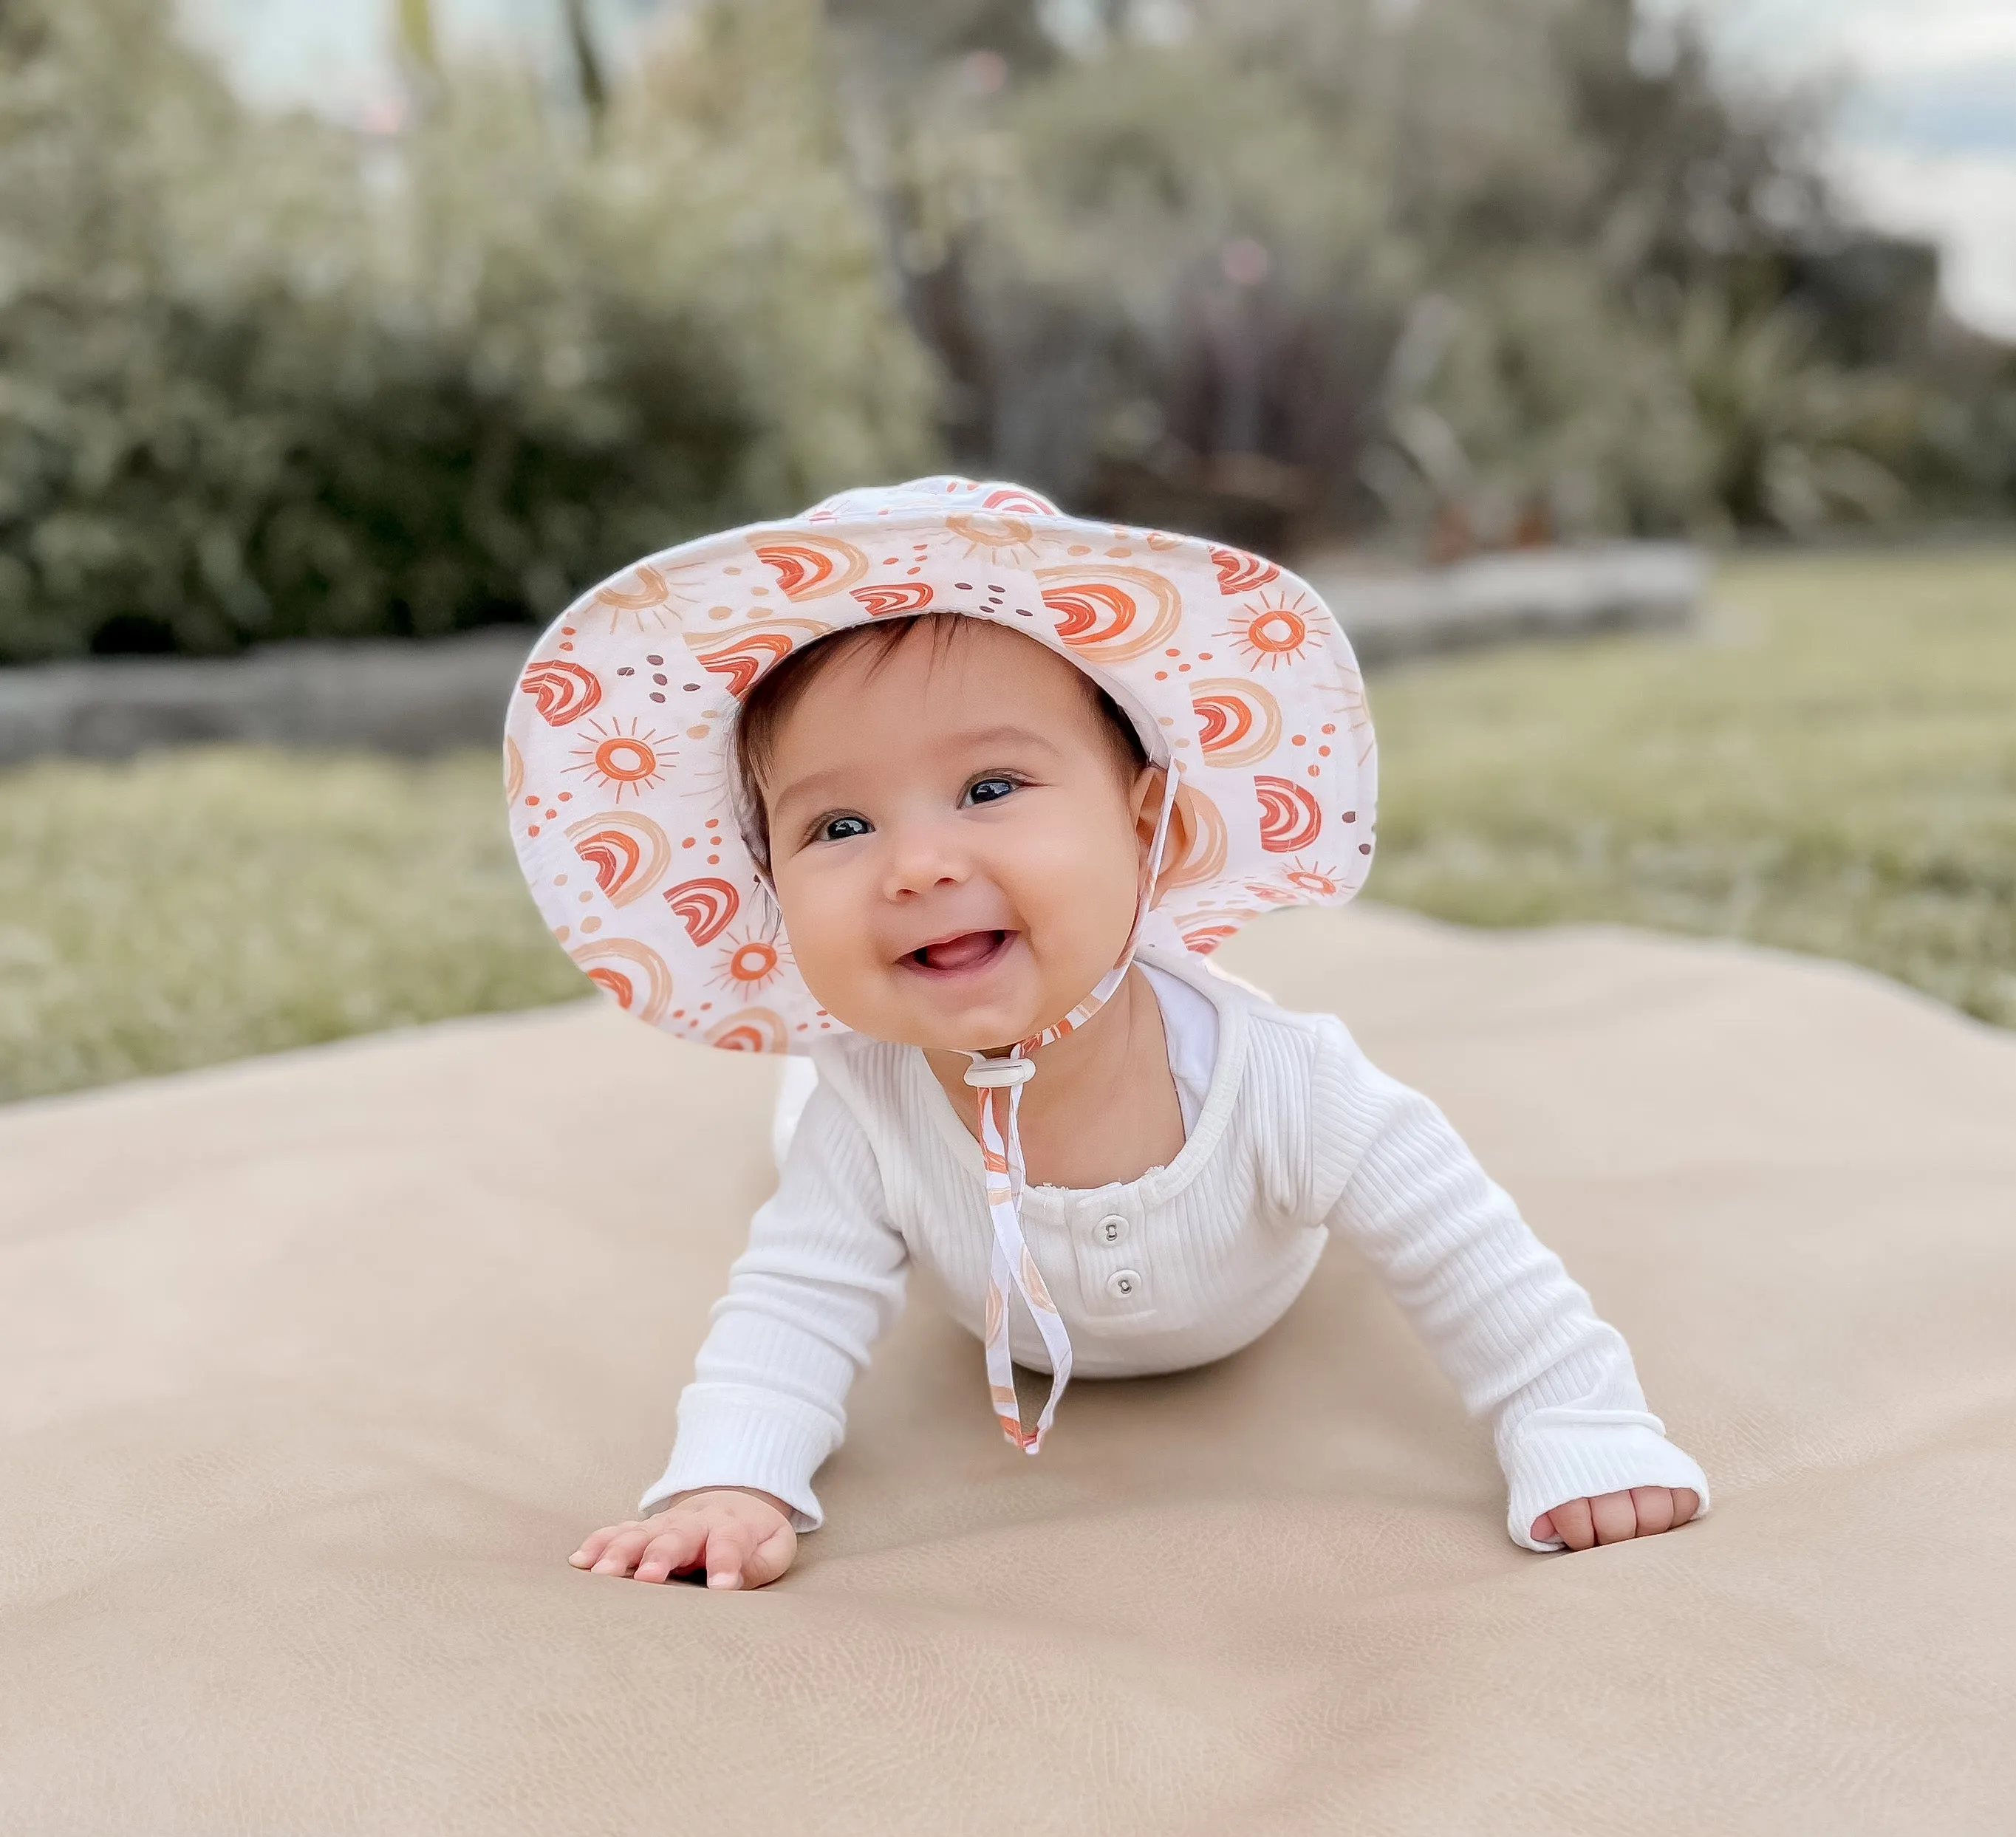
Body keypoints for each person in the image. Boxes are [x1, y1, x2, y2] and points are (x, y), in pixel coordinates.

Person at [503, 476, 1710, 1593]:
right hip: (908, 1179)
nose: (920, 864)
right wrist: (730, 1476)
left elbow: (1466, 1250)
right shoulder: (865, 1111)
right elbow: (793, 1303)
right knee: (813, 1128)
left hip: (1243, 1284)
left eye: (989, 789)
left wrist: (1574, 1423)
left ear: (1150, 825)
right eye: (839, 826)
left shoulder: (1286, 1083)